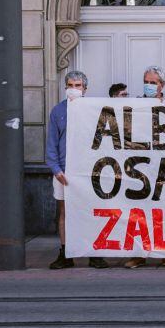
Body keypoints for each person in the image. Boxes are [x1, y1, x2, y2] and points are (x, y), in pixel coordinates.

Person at [46, 71, 110, 270]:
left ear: (85, 89)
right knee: (65, 213)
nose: (74, 89)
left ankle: (94, 253)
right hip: (64, 173)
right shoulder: (58, 111)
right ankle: (66, 253)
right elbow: (52, 143)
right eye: (71, 85)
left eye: (78, 85)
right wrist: (56, 169)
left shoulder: (94, 111)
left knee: (91, 212)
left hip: (89, 172)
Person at [124, 67, 165, 269]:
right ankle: (140, 254)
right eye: (146, 81)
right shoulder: (135, 104)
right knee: (140, 213)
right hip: (141, 168)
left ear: (161, 85)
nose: (149, 85)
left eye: (153, 82)